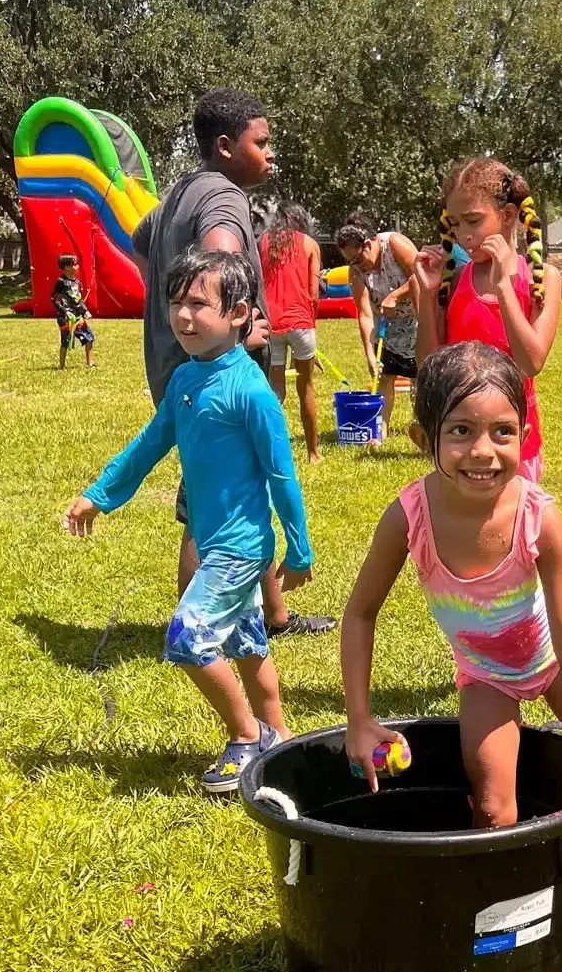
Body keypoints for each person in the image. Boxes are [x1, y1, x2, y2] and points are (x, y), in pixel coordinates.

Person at [340, 342, 562, 970]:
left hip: (554, 662)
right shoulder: (409, 516)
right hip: (486, 676)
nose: (483, 452)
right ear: (423, 436)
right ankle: (498, 920)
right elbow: (359, 613)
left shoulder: (540, 516)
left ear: (524, 435)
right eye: (461, 431)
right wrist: (359, 717)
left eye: (502, 432)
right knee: (491, 809)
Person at [62, 249, 313, 798]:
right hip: (218, 542)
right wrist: (100, 496)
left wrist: (299, 552)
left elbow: (282, 476)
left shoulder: (251, 391)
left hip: (241, 548)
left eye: (199, 304)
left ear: (240, 313)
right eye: (176, 302)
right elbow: (149, 445)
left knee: (188, 636)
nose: (183, 316)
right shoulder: (185, 382)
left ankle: (245, 737)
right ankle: (278, 735)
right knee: (247, 644)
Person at [129, 87, 331, 636]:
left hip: (181, 363)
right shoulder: (224, 199)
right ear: (225, 146)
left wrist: (172, 305)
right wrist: (238, 332)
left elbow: (139, 238)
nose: (270, 152)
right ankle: (199, 629)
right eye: (261, 142)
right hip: (216, 366)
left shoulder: (178, 193)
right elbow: (220, 258)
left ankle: (274, 615)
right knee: (207, 503)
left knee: (242, 488)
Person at [413, 157, 562, 484]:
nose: (464, 235)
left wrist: (503, 286)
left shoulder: (542, 279)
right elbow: (428, 365)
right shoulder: (453, 282)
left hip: (513, 444)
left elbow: (532, 361)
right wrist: (426, 294)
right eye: (455, 224)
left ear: (507, 216)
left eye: (473, 221)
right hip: (457, 442)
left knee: (514, 530)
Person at [336, 211, 419, 442]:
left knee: (420, 376)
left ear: (369, 244)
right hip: (390, 324)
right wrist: (370, 355)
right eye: (350, 261)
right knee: (386, 376)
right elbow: (364, 313)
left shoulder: (395, 244)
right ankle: (379, 433)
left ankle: (422, 428)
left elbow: (421, 276)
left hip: (420, 316)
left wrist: (395, 295)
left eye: (358, 259)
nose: (356, 266)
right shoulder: (356, 271)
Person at [259, 201, 322, 463]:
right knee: (305, 387)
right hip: (301, 322)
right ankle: (313, 453)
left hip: (271, 323)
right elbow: (314, 294)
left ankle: (268, 452)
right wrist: (310, 327)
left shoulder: (262, 242)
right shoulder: (309, 244)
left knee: (275, 391)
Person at [51, 254, 96, 370]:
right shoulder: (61, 282)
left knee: (89, 338)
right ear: (66, 267)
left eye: (77, 264)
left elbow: (78, 299)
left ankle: (90, 364)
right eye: (74, 264)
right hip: (65, 318)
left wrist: (85, 310)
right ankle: (62, 366)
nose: (77, 266)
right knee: (65, 342)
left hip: (77, 317)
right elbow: (54, 299)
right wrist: (65, 311)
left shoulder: (77, 282)